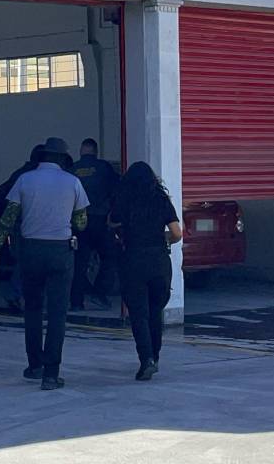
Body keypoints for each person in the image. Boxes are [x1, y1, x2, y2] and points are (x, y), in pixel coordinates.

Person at [0, 137, 89, 391]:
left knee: (32, 310)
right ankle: (51, 375)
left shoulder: (24, 180)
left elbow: (8, 219)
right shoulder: (73, 182)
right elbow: (82, 222)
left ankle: (34, 366)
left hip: (30, 252)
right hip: (60, 253)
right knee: (57, 314)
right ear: (63, 159)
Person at [109, 161, 182, 381]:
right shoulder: (161, 199)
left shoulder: (125, 199)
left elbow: (111, 223)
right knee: (155, 310)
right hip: (159, 260)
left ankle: (146, 359)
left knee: (138, 314)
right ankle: (155, 357)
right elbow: (177, 233)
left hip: (133, 260)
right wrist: (163, 239)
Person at [0, 144, 46, 312]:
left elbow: (5, 194)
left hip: (20, 223)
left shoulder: (22, 174)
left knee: (24, 261)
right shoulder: (38, 176)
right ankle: (19, 294)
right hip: (31, 225)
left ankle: (18, 295)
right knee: (29, 263)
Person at [70, 138, 120, 311]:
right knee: (110, 257)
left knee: (79, 262)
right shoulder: (104, 168)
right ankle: (99, 292)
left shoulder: (73, 169)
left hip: (78, 222)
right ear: (96, 151)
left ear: (81, 151)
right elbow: (116, 190)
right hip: (100, 220)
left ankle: (76, 302)